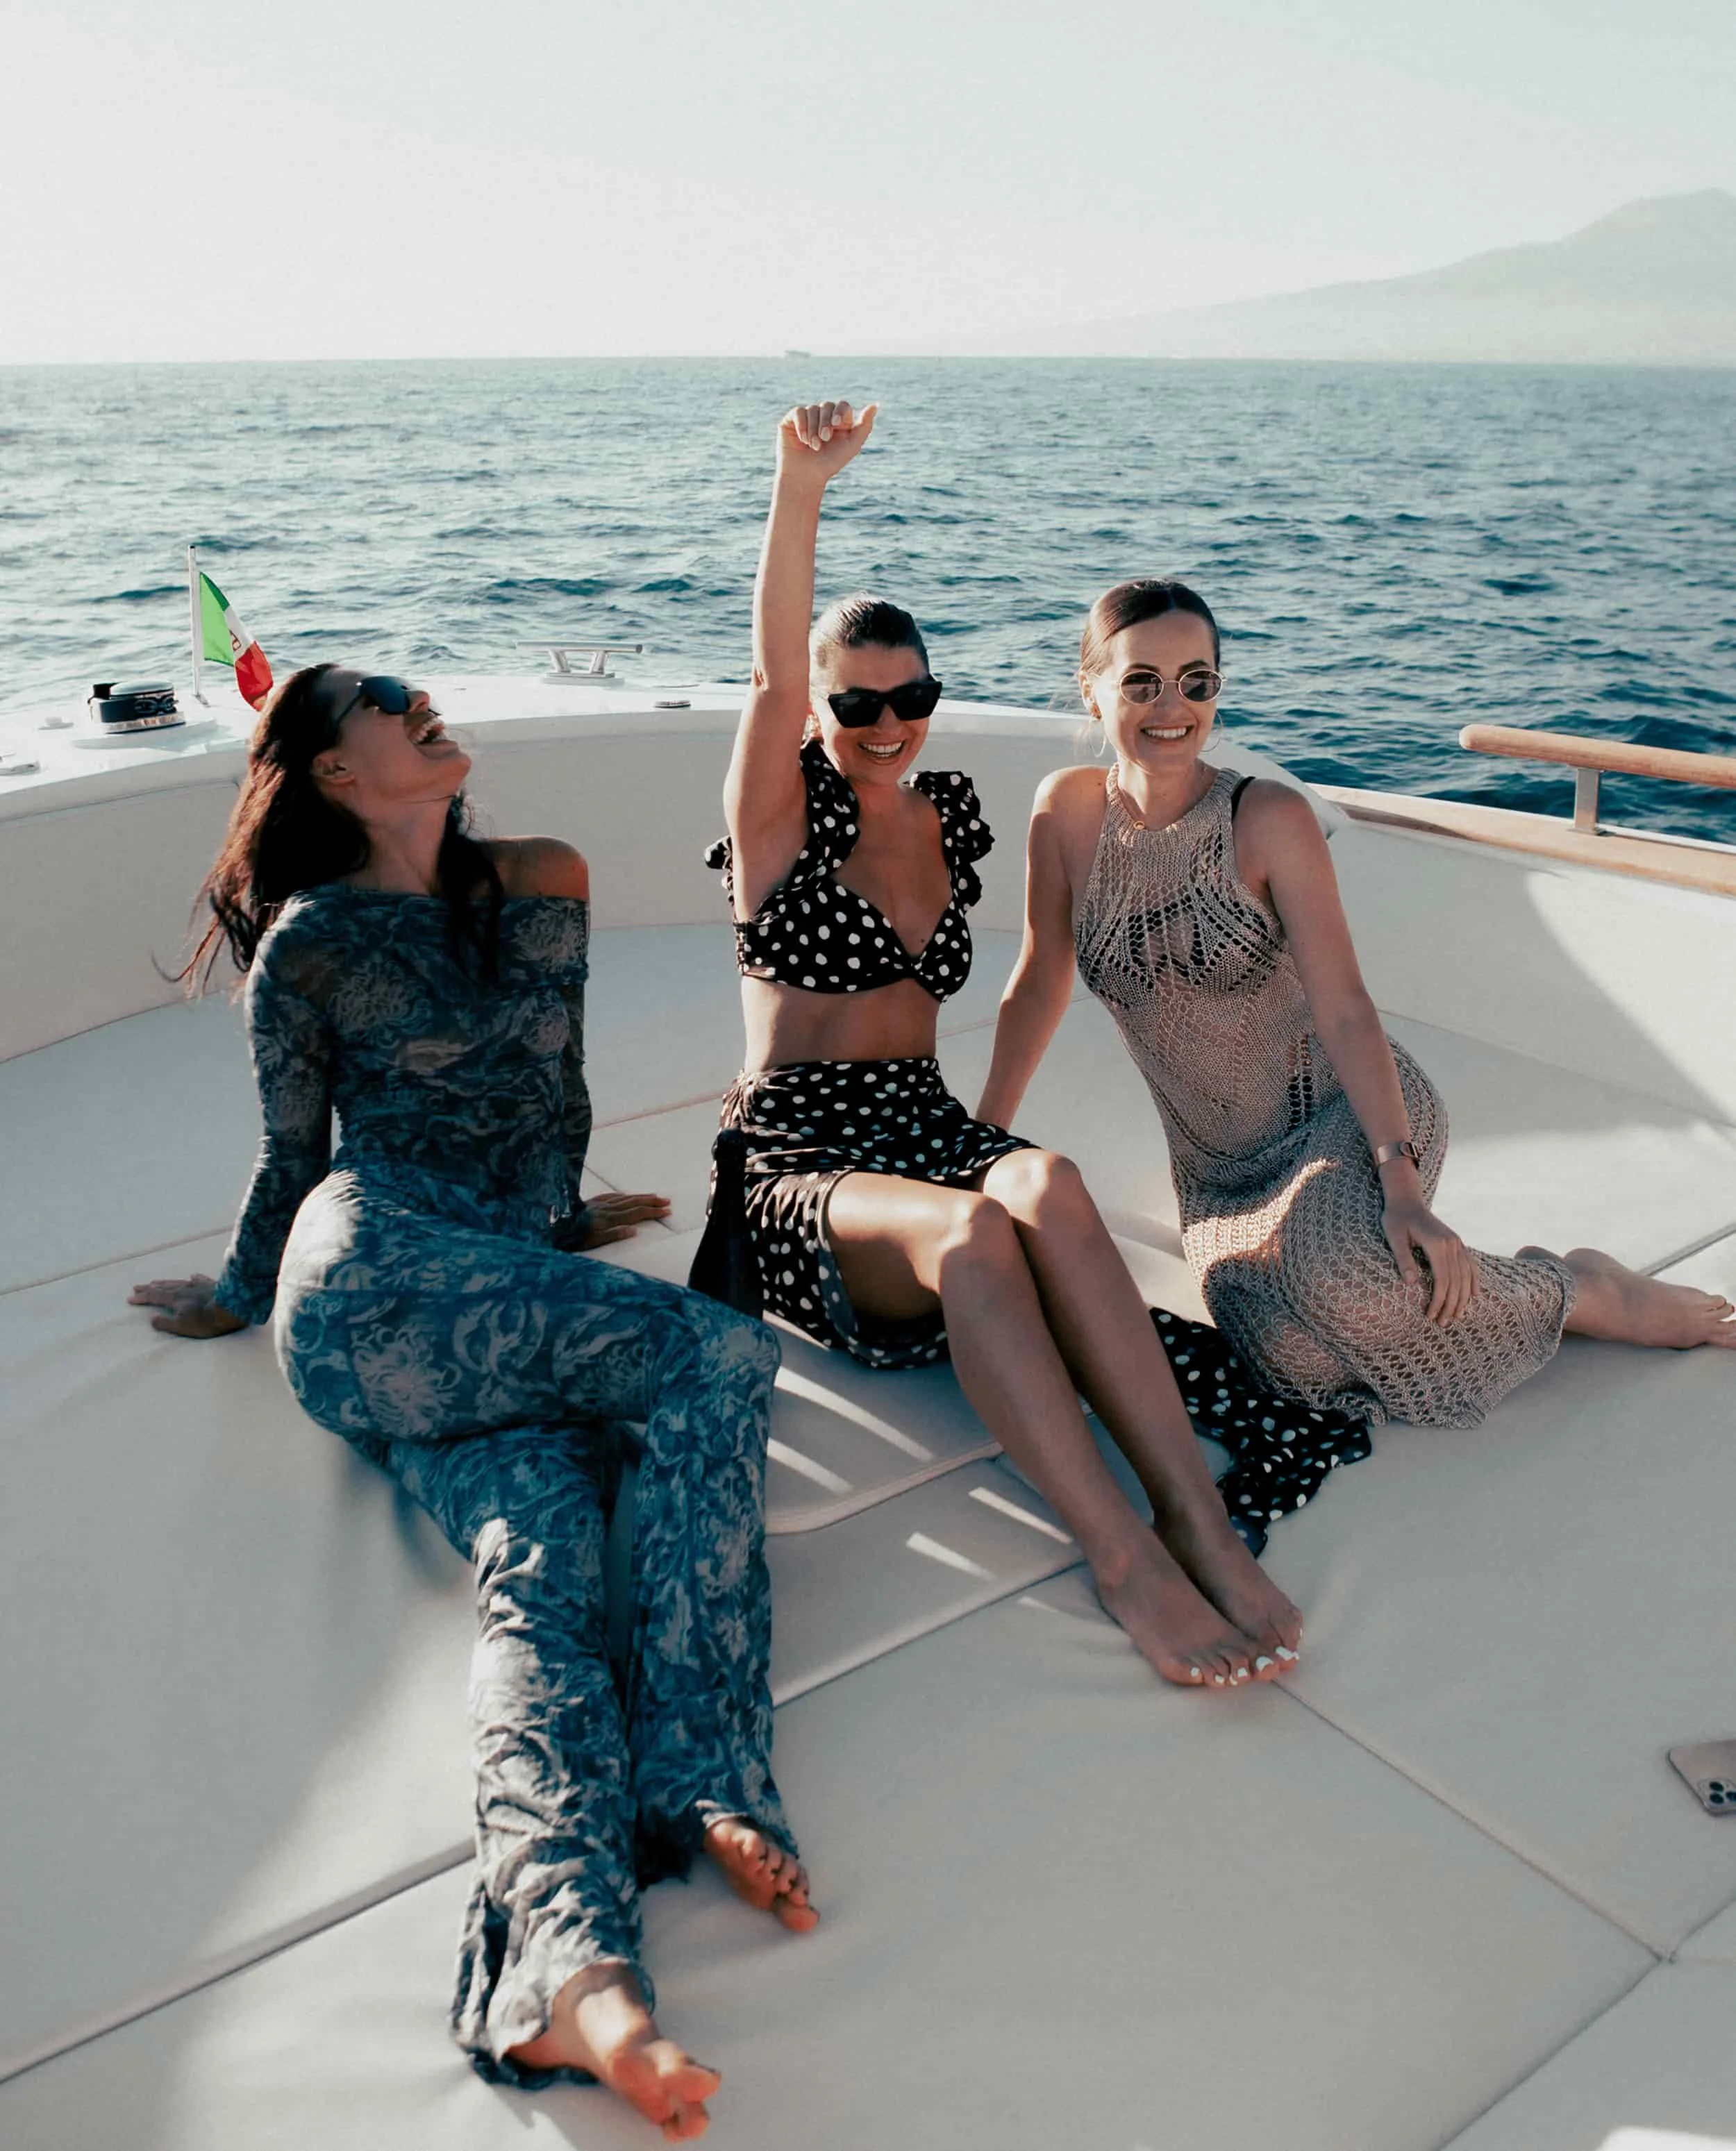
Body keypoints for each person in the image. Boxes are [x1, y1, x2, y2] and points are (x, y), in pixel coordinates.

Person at [129, 664, 815, 2142]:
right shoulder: (312, 940)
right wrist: (235, 1290)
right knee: (720, 1356)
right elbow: (293, 1155)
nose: (421, 702)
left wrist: (559, 1223)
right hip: (368, 1279)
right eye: (387, 703)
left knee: (547, 1566)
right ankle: (702, 1763)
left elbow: (554, 1089)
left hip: (489, 1292)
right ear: (332, 772)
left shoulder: (540, 878)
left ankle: (575, 1971)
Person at [699, 401, 1359, 1693]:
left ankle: (1194, 1517)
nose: (887, 721)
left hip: (924, 1121)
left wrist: (987, 1129)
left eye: (912, 696)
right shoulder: (780, 818)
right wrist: (800, 486)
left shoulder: (941, 815)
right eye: (858, 700)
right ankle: (1125, 1557)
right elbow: (773, 676)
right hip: (801, 1160)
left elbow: (1033, 979)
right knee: (971, 1236)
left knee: (1046, 1180)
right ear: (820, 708)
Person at [978, 577, 1736, 1459]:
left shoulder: (1266, 817)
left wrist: (1401, 1187)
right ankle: (1499, 1284)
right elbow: (1038, 979)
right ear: (1091, 688)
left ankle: (1580, 1289)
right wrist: (980, 1141)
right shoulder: (1064, 813)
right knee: (1292, 1365)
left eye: (1197, 681)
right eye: (1141, 681)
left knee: (1347, 1287)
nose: (1172, 707)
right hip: (1219, 1176)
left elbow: (1344, 1008)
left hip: (1347, 1116)